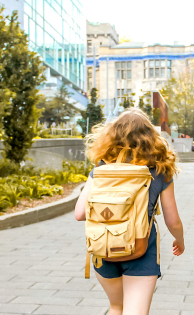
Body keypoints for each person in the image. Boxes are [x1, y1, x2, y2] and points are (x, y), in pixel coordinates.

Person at [74, 108, 184, 315]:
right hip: (141, 250)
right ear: (151, 138)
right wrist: (180, 240)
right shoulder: (160, 171)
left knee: (116, 307)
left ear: (112, 136)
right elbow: (173, 220)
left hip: (103, 247)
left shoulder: (100, 168)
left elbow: (79, 213)